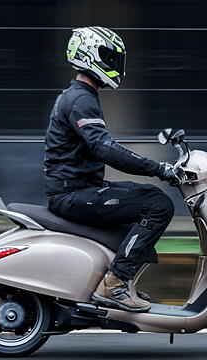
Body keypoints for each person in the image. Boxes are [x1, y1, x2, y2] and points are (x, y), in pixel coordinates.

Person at [44, 26, 180, 312]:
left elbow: (102, 147)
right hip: (74, 194)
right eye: (110, 57)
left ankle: (118, 279)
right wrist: (159, 168)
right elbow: (105, 148)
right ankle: (115, 283)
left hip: (81, 189)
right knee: (158, 205)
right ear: (90, 55)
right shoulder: (80, 100)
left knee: (147, 196)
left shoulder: (79, 96)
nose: (116, 66)